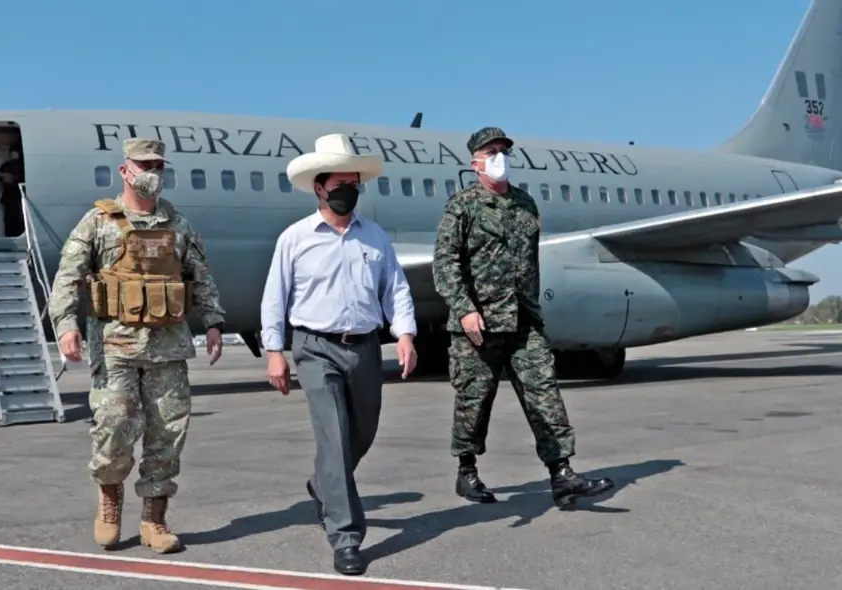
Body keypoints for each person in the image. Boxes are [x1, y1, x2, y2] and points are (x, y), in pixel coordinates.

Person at [48, 138, 227, 554]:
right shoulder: (97, 222)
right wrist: (65, 324)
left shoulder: (178, 225)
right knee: (113, 429)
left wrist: (215, 322)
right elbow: (67, 276)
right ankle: (109, 505)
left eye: (159, 166)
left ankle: (154, 520)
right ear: (125, 170)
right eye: (145, 165)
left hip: (168, 347)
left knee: (168, 432)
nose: (154, 173)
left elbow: (200, 277)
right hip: (115, 347)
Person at [432, 126, 615, 510]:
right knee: (474, 400)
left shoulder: (526, 203)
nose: (500, 157)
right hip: (479, 325)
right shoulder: (461, 206)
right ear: (475, 162)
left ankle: (562, 475)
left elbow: (529, 262)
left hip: (523, 321)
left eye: (504, 150)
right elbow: (445, 263)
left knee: (544, 394)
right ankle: (467, 471)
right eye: (492, 151)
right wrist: (465, 309)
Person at [260, 133, 418, 576]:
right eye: (340, 183)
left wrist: (404, 335)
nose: (349, 191)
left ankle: (322, 485)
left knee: (361, 433)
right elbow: (275, 298)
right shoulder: (294, 239)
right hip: (314, 348)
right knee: (333, 435)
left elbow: (396, 289)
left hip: (365, 347)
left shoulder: (375, 237)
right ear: (319, 187)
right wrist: (275, 351)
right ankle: (346, 536)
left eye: (355, 183)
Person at [0, 147, 25, 237]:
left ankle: (18, 236)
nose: (13, 154)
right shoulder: (6, 165)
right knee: (8, 219)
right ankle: (8, 236)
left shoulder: (22, 165)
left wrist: (13, 178)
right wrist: (4, 176)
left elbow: (23, 178)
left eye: (15, 152)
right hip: (7, 196)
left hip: (19, 197)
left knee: (19, 219)